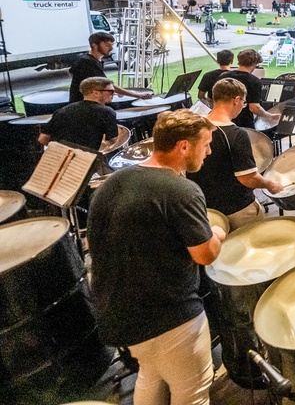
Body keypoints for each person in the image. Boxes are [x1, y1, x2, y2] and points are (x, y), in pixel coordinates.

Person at [87, 109, 225, 405]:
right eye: (205, 144)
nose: (209, 152)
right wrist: (218, 233)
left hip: (118, 314)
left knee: (151, 376)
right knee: (194, 395)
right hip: (169, 318)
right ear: (183, 146)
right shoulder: (181, 191)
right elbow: (205, 255)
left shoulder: (112, 182)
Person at [187, 78, 283, 231]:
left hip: (204, 207)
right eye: (243, 102)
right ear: (236, 100)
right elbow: (248, 178)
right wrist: (270, 185)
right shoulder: (236, 134)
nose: (242, 106)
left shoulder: (192, 127)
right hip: (236, 209)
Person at [68, 32, 152, 103]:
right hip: (84, 104)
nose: (111, 48)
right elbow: (105, 84)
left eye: (112, 45)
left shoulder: (90, 59)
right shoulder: (87, 62)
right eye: (107, 45)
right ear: (94, 45)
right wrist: (136, 94)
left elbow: (71, 72)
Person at [39, 76, 118, 152]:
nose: (114, 94)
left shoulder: (63, 110)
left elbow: (43, 138)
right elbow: (114, 141)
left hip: (60, 158)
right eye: (111, 91)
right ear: (95, 93)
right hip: (86, 160)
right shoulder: (107, 112)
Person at [216, 49, 278, 129]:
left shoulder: (223, 76)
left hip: (222, 121)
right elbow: (254, 107)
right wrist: (270, 116)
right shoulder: (254, 81)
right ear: (254, 64)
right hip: (243, 124)